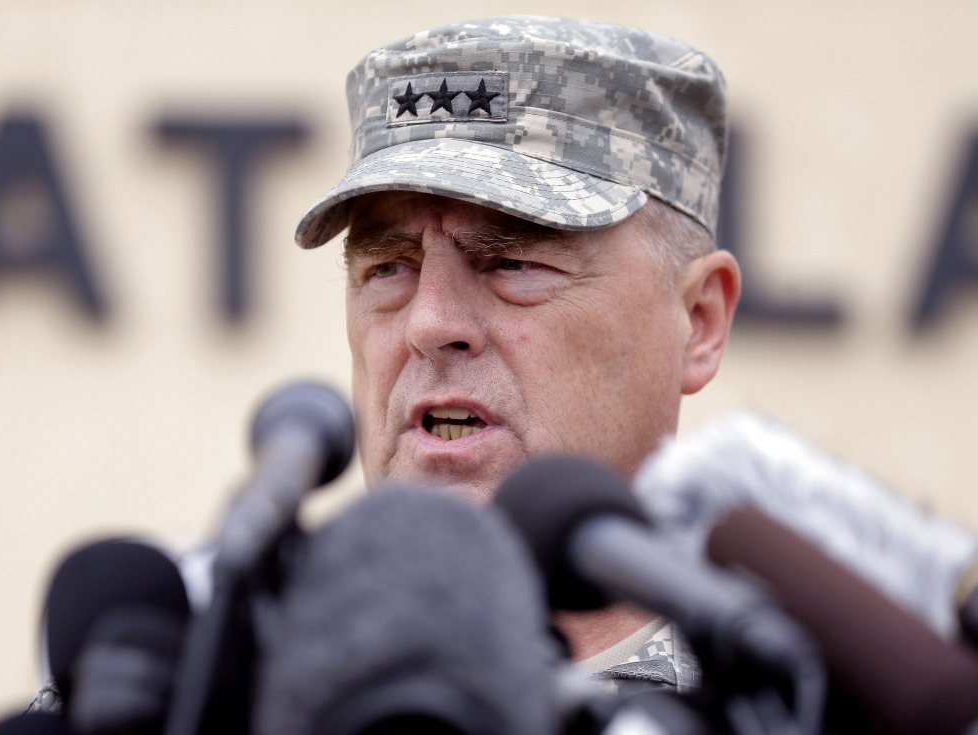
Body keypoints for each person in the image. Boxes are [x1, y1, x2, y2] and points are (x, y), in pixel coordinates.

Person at [293, 15, 741, 693]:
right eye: (388, 267)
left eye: (513, 262)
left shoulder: (806, 698)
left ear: (699, 322)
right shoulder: (206, 681)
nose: (430, 323)